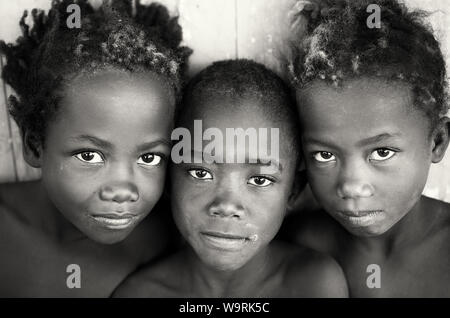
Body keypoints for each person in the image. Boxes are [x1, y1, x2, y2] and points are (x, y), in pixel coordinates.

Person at [0, 0, 190, 297]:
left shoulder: (164, 240)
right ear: (34, 145)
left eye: (150, 157)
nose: (122, 190)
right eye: (90, 155)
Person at [113, 59, 348, 297]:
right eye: (200, 173)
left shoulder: (314, 284)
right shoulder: (138, 293)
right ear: (169, 179)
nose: (226, 206)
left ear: (293, 191)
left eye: (259, 180)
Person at [285, 0, 450, 297]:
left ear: (437, 141)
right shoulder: (295, 244)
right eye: (325, 155)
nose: (352, 186)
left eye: (382, 152)